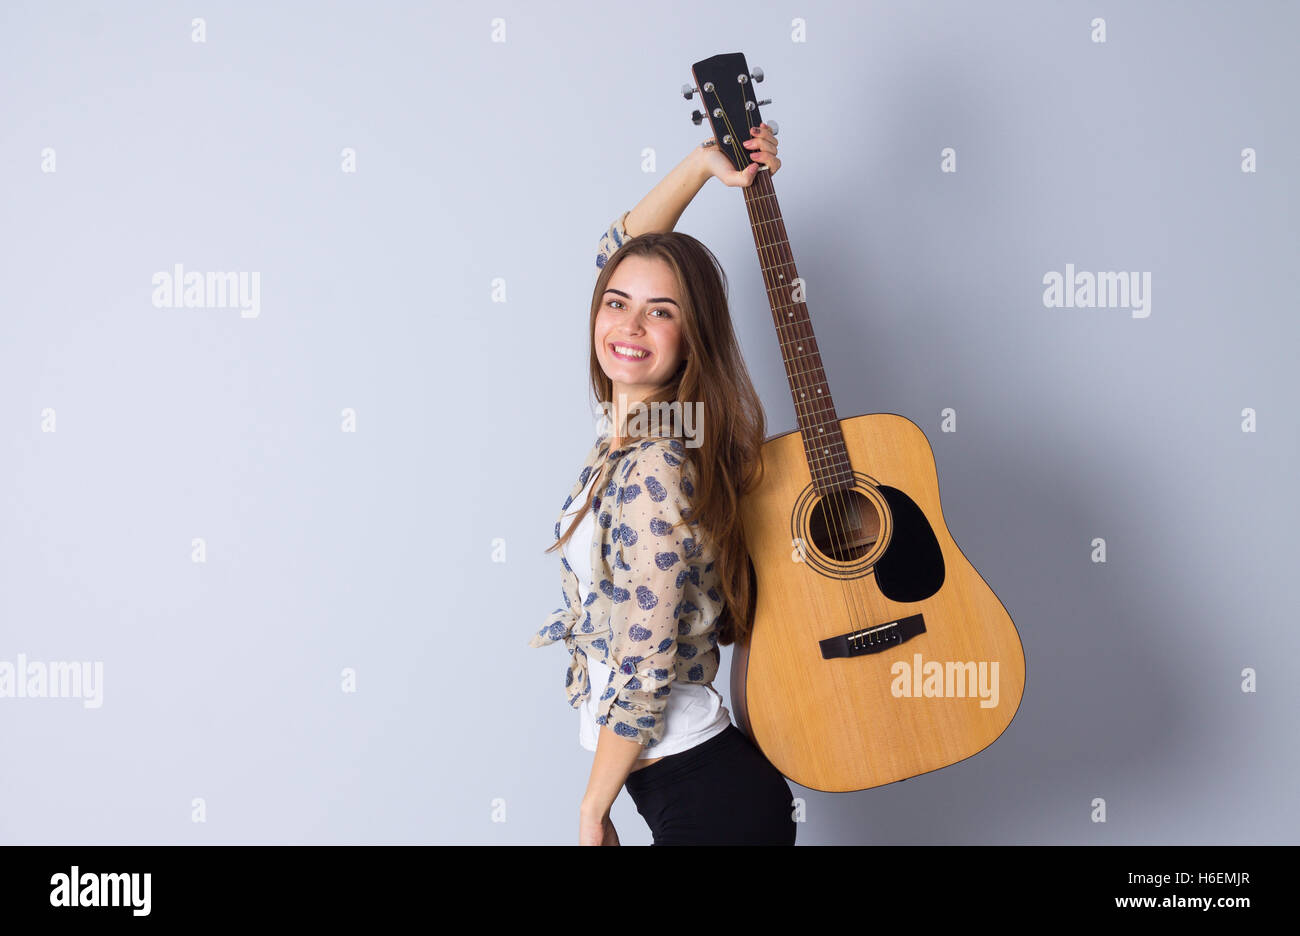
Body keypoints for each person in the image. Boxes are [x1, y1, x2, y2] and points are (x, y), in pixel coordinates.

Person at [530, 124, 795, 845]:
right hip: (672, 782)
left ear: (692, 335)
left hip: (707, 795)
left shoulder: (657, 463)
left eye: (662, 312)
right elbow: (614, 252)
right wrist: (705, 167)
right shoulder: (630, 428)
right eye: (616, 304)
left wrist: (592, 809)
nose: (630, 325)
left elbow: (645, 668)